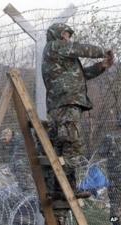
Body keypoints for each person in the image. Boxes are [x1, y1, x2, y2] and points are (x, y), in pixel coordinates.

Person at [41, 22, 114, 224]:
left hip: (63, 104)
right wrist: (102, 51)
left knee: (64, 151)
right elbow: (80, 48)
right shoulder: (55, 46)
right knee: (73, 146)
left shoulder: (61, 59)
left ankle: (63, 189)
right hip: (66, 105)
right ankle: (62, 188)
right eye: (65, 34)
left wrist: (102, 66)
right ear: (57, 35)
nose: (68, 38)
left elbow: (81, 76)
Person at [0, 128, 35, 195]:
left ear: (9, 135)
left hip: (23, 166)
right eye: (2, 140)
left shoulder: (19, 140)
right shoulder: (12, 142)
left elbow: (17, 156)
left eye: (4, 139)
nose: (4, 141)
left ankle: (29, 196)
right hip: (19, 166)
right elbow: (11, 157)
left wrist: (9, 168)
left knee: (26, 184)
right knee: (22, 183)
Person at [98, 134, 121, 225]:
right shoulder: (110, 138)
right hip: (114, 180)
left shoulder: (110, 138)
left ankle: (114, 223)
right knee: (114, 205)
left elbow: (101, 153)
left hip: (114, 180)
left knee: (114, 205)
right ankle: (114, 222)